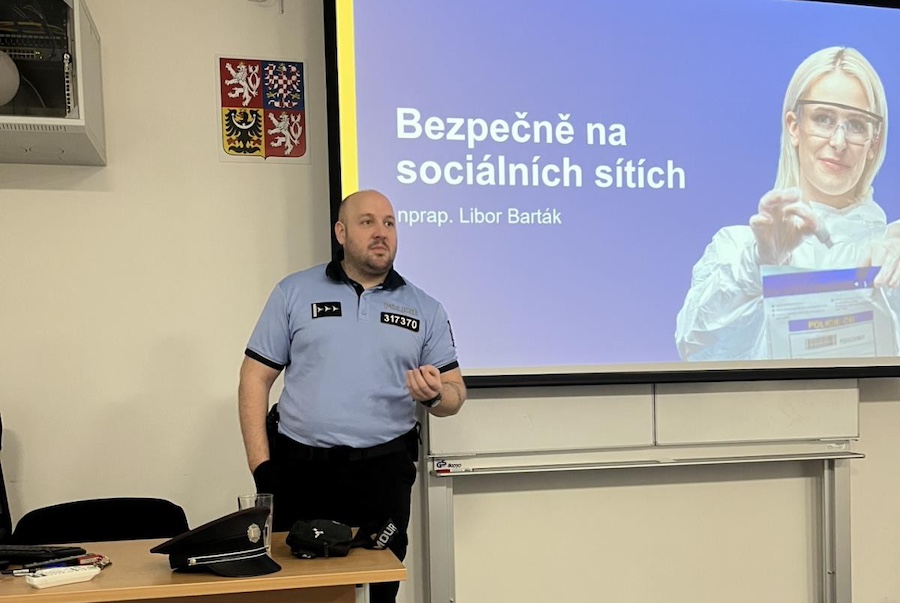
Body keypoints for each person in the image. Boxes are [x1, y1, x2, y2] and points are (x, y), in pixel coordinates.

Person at [238, 189, 466, 603]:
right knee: (301, 595)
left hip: (382, 476)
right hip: (300, 472)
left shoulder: (425, 308)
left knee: (378, 593)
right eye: (367, 222)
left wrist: (436, 395)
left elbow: (455, 393)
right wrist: (262, 469)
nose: (381, 232)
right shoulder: (293, 292)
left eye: (389, 223)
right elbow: (255, 377)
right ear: (341, 232)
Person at [675, 46, 900, 361]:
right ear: (794, 126)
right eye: (824, 119)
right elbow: (695, 346)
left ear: (874, 141)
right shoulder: (735, 250)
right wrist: (759, 263)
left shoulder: (893, 249)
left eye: (856, 124)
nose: (838, 142)